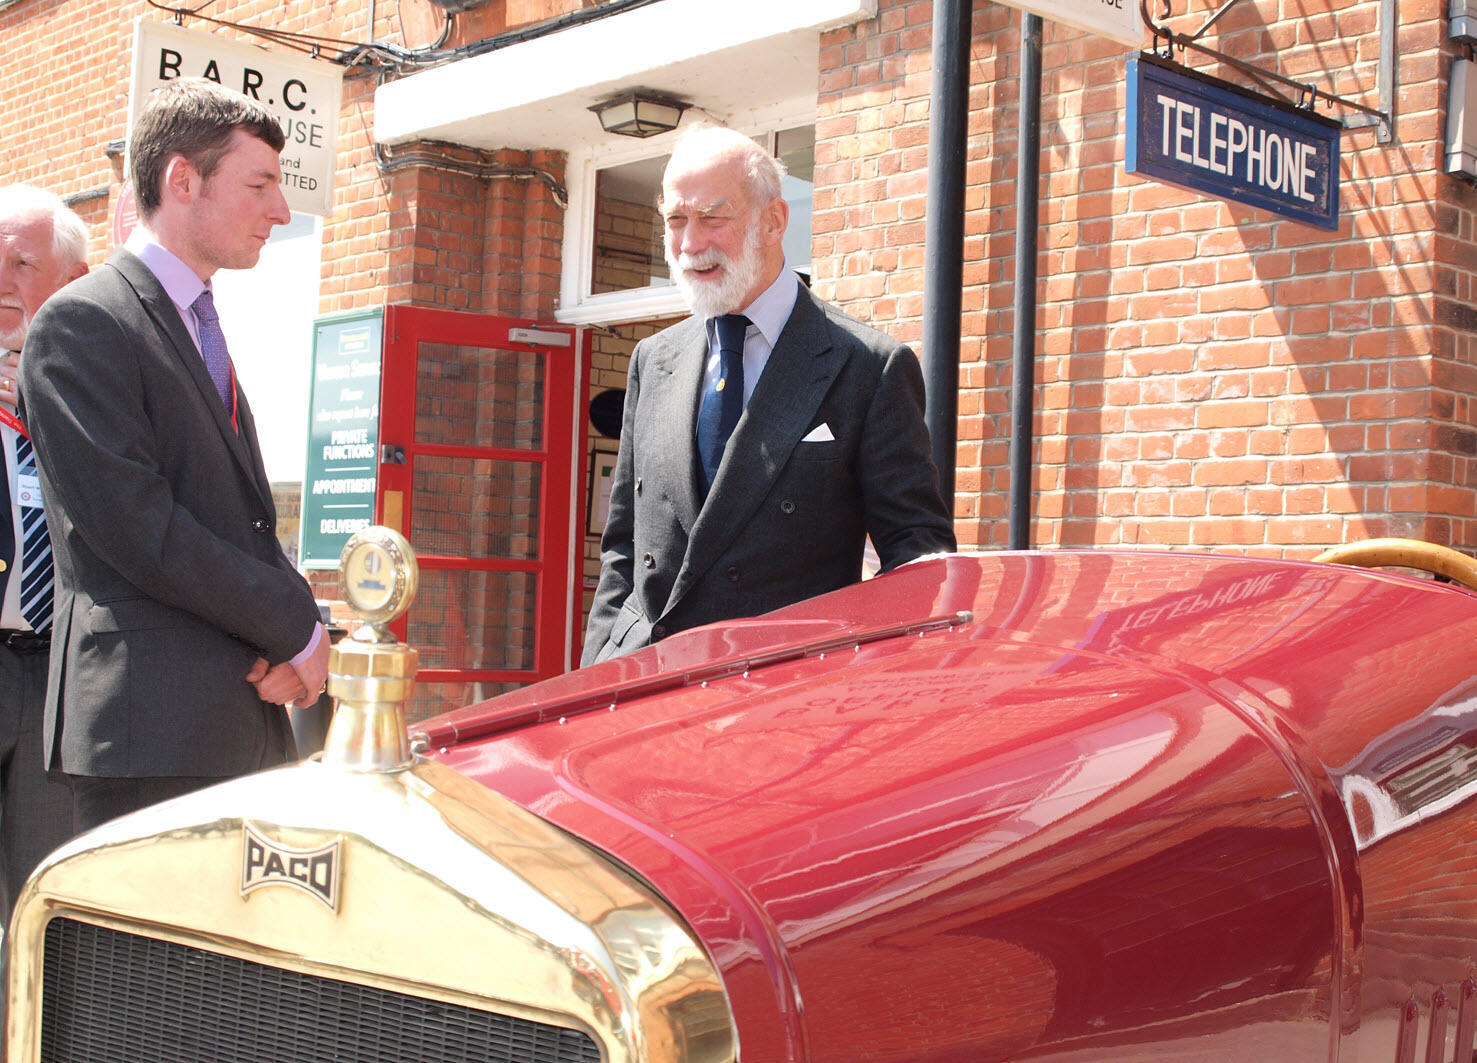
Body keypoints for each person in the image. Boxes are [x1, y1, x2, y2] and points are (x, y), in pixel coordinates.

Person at [20, 78, 329, 833]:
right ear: (181, 180)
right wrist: (295, 623)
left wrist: (302, 638)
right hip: (148, 742)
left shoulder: (194, 319)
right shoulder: (82, 324)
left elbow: (236, 521)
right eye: (258, 184)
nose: (280, 211)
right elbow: (140, 528)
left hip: (228, 724)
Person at [582, 124, 955, 665]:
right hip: (645, 684)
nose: (690, 245)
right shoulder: (652, 359)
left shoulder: (867, 366)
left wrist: (875, 692)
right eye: (676, 220)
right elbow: (624, 547)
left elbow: (916, 559)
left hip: (783, 697)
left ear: (774, 221)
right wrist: (595, 676)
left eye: (712, 218)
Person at [0, 185, 87, 915]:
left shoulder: (95, 396)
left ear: (72, 283)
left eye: (23, 263)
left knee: (43, 898)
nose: (2, 283)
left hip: (59, 678)